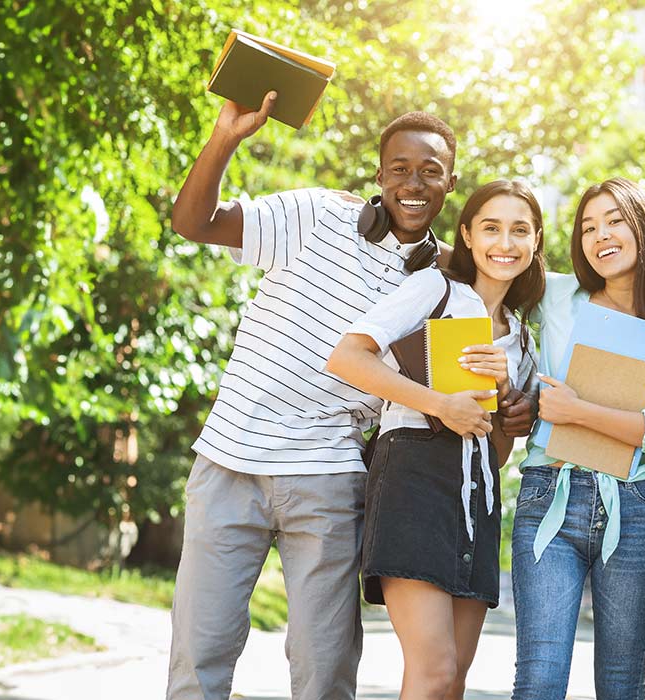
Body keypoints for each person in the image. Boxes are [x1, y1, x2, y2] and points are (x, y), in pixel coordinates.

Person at [165, 93, 534, 699]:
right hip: (230, 459)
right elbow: (192, 223)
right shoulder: (314, 213)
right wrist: (226, 137)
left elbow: (514, 300)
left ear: (451, 185)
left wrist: (510, 410)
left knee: (326, 668)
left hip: (333, 478)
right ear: (379, 174)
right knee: (199, 657)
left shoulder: (446, 280)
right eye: (399, 170)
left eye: (431, 172)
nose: (413, 183)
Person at [327, 179, 546, 700]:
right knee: (433, 669)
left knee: (454, 680)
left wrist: (503, 392)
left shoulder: (523, 337)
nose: (505, 243)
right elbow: (347, 357)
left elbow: (495, 452)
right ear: (467, 235)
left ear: (536, 241)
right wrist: (440, 404)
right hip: (412, 478)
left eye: (520, 231)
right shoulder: (437, 289)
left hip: (478, 497)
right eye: (491, 228)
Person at [511, 177, 645, 700]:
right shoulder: (557, 296)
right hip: (548, 493)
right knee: (539, 677)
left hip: (635, 506)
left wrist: (579, 412)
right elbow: (493, 258)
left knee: (622, 684)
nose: (601, 235)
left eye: (615, 221)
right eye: (589, 227)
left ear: (643, 227)